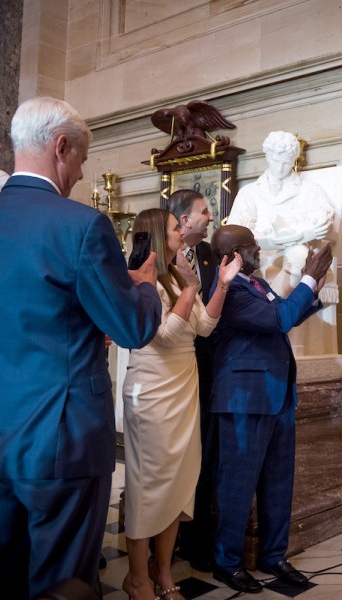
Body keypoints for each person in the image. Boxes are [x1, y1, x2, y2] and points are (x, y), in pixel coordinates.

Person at [0, 97, 162, 599]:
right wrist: (145, 287)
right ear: (61, 147)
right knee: (62, 585)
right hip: (61, 445)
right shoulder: (81, 225)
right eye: (81, 159)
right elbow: (132, 328)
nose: (81, 174)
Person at [121, 208, 242, 600]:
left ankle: (163, 570)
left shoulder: (177, 275)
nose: (183, 230)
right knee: (148, 484)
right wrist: (191, 289)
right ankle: (137, 576)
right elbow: (165, 336)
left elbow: (203, 326)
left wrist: (220, 285)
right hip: (153, 390)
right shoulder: (141, 279)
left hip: (184, 385)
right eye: (176, 227)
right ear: (159, 234)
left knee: (180, 480)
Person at [208, 224, 332, 594]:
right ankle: (226, 563)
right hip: (243, 399)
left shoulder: (257, 285)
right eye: (252, 246)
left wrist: (314, 293)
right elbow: (278, 320)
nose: (259, 249)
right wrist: (307, 280)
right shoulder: (227, 290)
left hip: (276, 394)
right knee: (237, 485)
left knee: (279, 481)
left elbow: (282, 316)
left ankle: (273, 556)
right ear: (235, 254)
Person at [167, 190, 219, 571]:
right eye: (204, 211)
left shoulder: (208, 255)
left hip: (206, 369)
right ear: (184, 221)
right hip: (168, 373)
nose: (211, 216)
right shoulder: (163, 261)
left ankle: (195, 540)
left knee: (199, 460)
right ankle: (159, 546)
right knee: (165, 464)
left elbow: (210, 315)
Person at [226, 131, 335, 298]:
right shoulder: (249, 192)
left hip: (293, 250)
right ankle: (274, 310)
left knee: (299, 256)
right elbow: (234, 233)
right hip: (257, 252)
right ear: (267, 156)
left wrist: (300, 234)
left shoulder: (310, 189)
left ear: (294, 160)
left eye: (287, 163)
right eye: (276, 161)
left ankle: (273, 307)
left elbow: (324, 221)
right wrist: (269, 240)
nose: (280, 167)